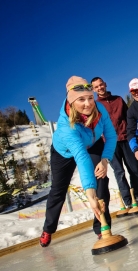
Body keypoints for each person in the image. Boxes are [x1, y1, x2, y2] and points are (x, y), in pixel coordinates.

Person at [40, 76, 117, 247]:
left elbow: (111, 136)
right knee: (58, 190)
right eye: (81, 99)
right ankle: (48, 229)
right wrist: (90, 195)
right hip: (64, 152)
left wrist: (105, 159)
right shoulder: (66, 126)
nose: (88, 103)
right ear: (72, 101)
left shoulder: (100, 110)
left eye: (90, 98)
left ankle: (102, 228)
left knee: (102, 179)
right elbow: (81, 158)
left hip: (93, 143)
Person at [91, 77, 138, 208]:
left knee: (134, 169)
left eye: (101, 85)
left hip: (125, 138)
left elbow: (129, 119)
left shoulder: (118, 100)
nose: (100, 88)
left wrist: (134, 136)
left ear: (105, 84)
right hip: (109, 143)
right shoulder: (95, 106)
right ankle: (127, 199)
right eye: (96, 87)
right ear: (93, 90)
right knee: (119, 171)